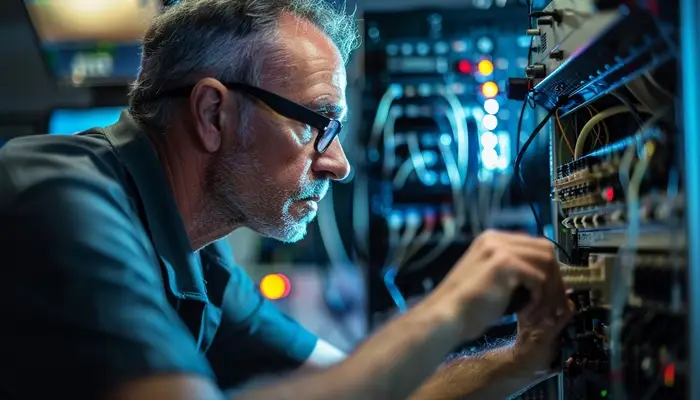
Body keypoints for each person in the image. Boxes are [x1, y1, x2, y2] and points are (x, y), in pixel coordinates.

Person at [0, 1, 572, 399]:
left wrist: (522, 358)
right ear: (212, 113)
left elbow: (370, 387)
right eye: (319, 124)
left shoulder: (202, 261)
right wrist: (444, 313)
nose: (340, 163)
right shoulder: (63, 198)